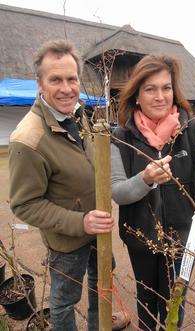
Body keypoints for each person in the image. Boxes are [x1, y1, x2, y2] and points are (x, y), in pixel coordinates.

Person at [8, 40, 129, 331]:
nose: (66, 88)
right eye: (56, 80)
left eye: (72, 78)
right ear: (39, 83)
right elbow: (24, 204)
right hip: (66, 242)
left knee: (102, 283)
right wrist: (80, 221)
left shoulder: (78, 114)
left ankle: (99, 324)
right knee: (64, 301)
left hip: (97, 229)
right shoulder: (28, 140)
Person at [111, 54, 195, 330]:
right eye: (150, 89)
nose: (160, 96)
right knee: (146, 300)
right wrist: (145, 179)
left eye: (166, 88)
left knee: (175, 302)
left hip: (183, 240)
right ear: (136, 95)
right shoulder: (120, 138)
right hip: (141, 240)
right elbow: (118, 192)